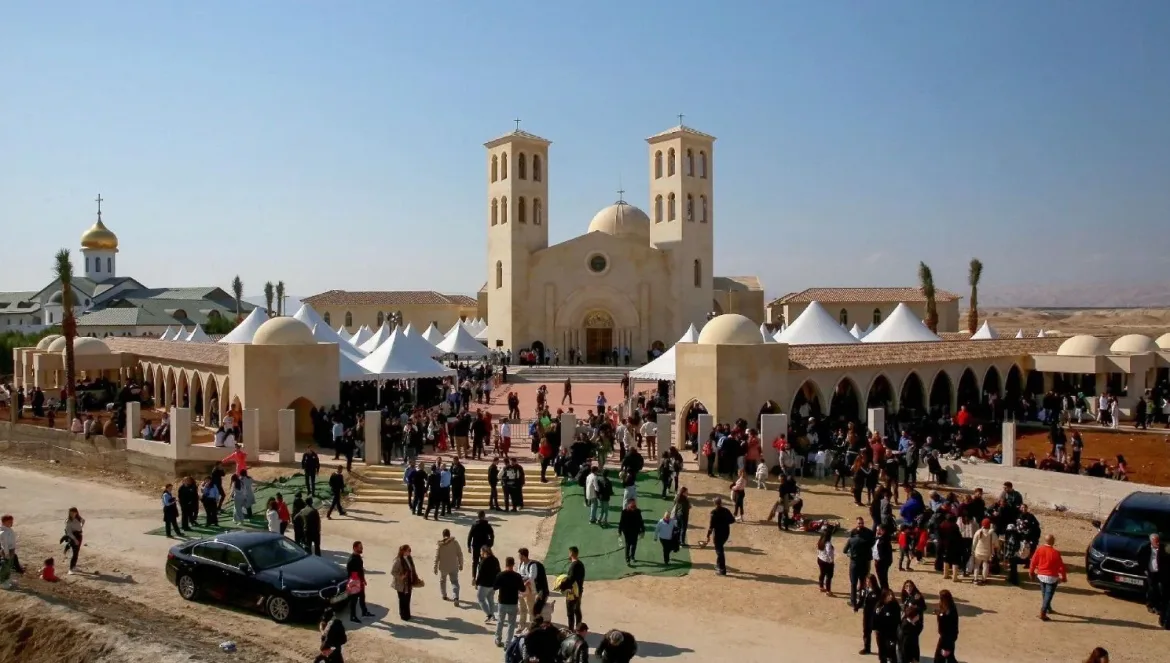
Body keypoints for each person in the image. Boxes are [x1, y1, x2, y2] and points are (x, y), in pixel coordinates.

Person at [1028, 533, 1068, 621]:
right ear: (1053, 542)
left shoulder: (1039, 550)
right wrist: (1064, 577)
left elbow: (1033, 562)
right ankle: (1043, 612)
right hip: (1052, 577)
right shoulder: (1056, 553)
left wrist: (1031, 572)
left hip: (1041, 575)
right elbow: (1061, 567)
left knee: (1044, 593)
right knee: (1048, 595)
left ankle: (1048, 608)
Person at [493, 556, 526, 647]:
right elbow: (522, 589)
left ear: (506, 564)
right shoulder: (517, 576)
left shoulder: (500, 575)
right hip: (513, 603)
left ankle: (498, 639)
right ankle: (508, 643)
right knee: (511, 624)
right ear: (513, 564)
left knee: (500, 621)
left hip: (502, 602)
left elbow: (495, 587)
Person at [844, 517, 875, 608]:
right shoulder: (867, 535)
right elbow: (872, 543)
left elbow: (845, 550)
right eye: (859, 523)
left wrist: (851, 554)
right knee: (862, 583)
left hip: (856, 563)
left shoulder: (854, 538)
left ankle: (854, 601)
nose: (860, 525)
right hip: (864, 562)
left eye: (861, 523)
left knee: (855, 583)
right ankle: (861, 601)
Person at [701, 496, 736, 576]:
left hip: (717, 534)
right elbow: (732, 520)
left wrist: (708, 535)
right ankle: (718, 565)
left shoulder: (714, 512)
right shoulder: (726, 510)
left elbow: (711, 526)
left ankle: (722, 570)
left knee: (719, 551)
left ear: (714, 503)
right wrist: (725, 522)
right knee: (720, 548)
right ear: (721, 502)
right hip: (726, 533)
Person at [517, 548, 549, 627]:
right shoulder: (520, 564)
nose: (519, 557)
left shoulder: (532, 565)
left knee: (531, 609)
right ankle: (521, 625)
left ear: (524, 556)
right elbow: (518, 575)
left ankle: (532, 626)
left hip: (530, 591)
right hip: (521, 590)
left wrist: (524, 583)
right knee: (522, 609)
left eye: (520, 555)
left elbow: (532, 577)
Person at [558, 546, 586, 630]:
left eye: (569, 553)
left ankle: (571, 629)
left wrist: (562, 586)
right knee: (577, 610)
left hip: (572, 592)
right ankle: (578, 628)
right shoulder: (581, 564)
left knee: (570, 612)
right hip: (579, 591)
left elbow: (570, 579)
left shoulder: (574, 565)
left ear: (571, 553)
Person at [434, 528, 464, 605]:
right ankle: (456, 597)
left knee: (443, 581)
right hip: (453, 566)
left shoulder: (440, 545)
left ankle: (444, 595)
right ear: (449, 535)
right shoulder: (455, 543)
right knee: (454, 582)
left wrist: (435, 567)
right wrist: (461, 564)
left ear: (443, 535)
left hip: (443, 567)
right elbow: (460, 554)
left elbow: (437, 557)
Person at [346, 541, 374, 622]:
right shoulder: (352, 560)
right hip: (355, 582)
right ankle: (353, 617)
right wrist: (356, 583)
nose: (362, 549)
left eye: (362, 547)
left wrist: (363, 580)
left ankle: (364, 612)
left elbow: (360, 570)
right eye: (360, 547)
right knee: (354, 600)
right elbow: (351, 573)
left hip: (359, 581)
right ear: (355, 548)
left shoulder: (358, 557)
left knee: (362, 597)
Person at [390, 544, 419, 621]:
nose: (410, 552)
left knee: (408, 599)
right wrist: (401, 577)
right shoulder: (399, 561)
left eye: (410, 550)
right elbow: (393, 572)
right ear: (404, 551)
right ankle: (403, 615)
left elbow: (412, 569)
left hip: (408, 583)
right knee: (402, 600)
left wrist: (415, 577)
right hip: (401, 584)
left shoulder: (409, 558)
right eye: (409, 550)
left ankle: (407, 614)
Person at [873, 588, 901, 663]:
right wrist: (875, 629)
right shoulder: (879, 605)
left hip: (891, 633)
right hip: (881, 633)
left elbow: (898, 620)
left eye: (892, 594)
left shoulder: (895, 605)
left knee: (891, 651)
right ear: (884, 596)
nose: (891, 596)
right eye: (889, 595)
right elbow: (875, 617)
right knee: (882, 651)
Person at [474, 546, 501, 623]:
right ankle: (492, 615)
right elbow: (499, 571)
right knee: (491, 600)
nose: (480, 553)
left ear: (484, 552)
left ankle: (489, 615)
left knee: (480, 599)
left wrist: (476, 583)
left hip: (484, 584)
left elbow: (480, 574)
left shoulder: (484, 561)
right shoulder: (495, 559)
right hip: (493, 584)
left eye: (481, 551)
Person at [467, 510, 495, 580]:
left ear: (478, 516)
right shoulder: (487, 525)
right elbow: (492, 535)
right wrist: (490, 544)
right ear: (484, 516)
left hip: (476, 545)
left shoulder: (474, 525)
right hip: (484, 546)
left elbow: (470, 536)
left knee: (475, 561)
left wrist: (469, 546)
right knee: (484, 562)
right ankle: (482, 577)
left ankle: (473, 577)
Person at [934, 589, 959, 663]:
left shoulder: (951, 611)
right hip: (945, 638)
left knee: (941, 658)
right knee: (946, 658)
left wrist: (947, 647)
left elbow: (950, 627)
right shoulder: (947, 608)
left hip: (947, 639)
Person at [618, 499, 645, 566]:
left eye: (634, 504)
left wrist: (643, 530)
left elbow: (641, 521)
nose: (634, 506)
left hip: (635, 530)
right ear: (628, 505)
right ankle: (627, 559)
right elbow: (621, 522)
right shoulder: (624, 512)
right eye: (632, 505)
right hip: (627, 531)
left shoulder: (638, 511)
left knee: (634, 544)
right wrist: (619, 531)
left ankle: (632, 556)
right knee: (628, 545)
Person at [971, 518, 998, 585]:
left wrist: (973, 551)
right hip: (988, 553)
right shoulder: (993, 534)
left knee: (977, 565)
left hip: (978, 552)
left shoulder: (978, 532)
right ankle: (984, 580)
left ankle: (975, 579)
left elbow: (974, 543)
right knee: (985, 566)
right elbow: (996, 545)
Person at [62, 507, 85, 574]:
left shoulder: (78, 518)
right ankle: (71, 569)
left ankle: (74, 567)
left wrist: (81, 527)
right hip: (73, 537)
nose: (72, 514)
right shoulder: (68, 521)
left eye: (74, 512)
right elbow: (69, 532)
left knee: (76, 552)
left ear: (76, 512)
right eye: (71, 513)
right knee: (74, 553)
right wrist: (75, 540)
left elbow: (83, 520)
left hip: (79, 536)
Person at [816, 526, 836, 595]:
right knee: (829, 576)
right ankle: (828, 590)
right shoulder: (828, 544)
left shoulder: (820, 541)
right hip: (827, 562)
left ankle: (821, 587)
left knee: (822, 573)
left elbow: (818, 550)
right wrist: (832, 561)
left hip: (820, 559)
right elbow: (830, 553)